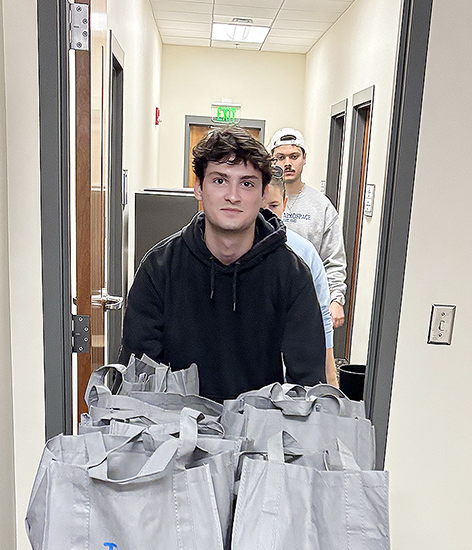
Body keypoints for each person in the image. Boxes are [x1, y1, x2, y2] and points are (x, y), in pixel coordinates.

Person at [120, 127, 325, 401]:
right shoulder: (159, 269)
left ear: (264, 194)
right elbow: (138, 384)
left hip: (261, 434)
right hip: (174, 433)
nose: (233, 195)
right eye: (219, 181)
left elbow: (307, 387)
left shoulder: (292, 275)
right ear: (198, 187)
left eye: (247, 183)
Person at [262, 169, 339, 389]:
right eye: (260, 207)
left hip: (289, 379)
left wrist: (331, 381)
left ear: (285, 204)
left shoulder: (303, 252)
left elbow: (322, 315)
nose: (266, 214)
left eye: (273, 206)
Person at [269, 127, 347, 331]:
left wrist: (336, 299)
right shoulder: (258, 200)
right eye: (280, 157)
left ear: (304, 158)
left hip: (306, 303)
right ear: (272, 161)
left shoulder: (321, 207)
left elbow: (334, 258)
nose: (287, 163)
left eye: (294, 156)